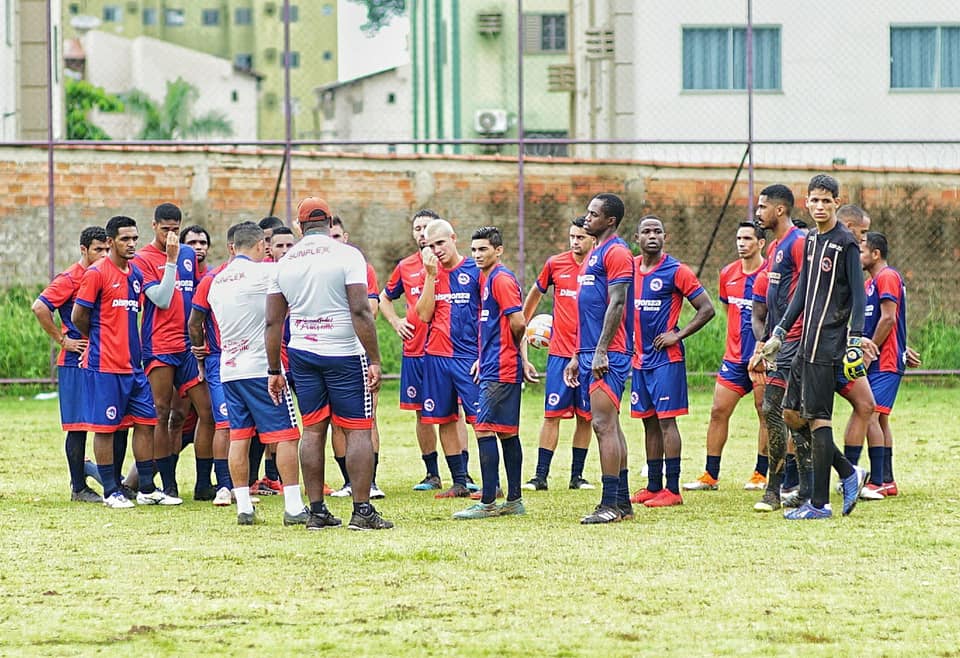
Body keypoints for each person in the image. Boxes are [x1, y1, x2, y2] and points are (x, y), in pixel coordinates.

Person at [266, 197, 392, 531]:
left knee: (313, 429)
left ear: (300, 225)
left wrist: (274, 370)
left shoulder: (285, 262)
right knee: (358, 429)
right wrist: (375, 358)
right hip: (344, 352)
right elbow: (361, 310)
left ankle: (318, 511)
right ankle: (362, 511)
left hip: (302, 354)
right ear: (329, 221)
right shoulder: (347, 255)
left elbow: (273, 323)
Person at [760, 174, 868, 520]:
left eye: (826, 200)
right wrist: (778, 332)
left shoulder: (845, 243)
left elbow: (858, 293)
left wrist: (855, 338)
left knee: (819, 419)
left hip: (829, 346)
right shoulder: (809, 240)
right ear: (807, 202)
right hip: (803, 343)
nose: (820, 206)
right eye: (815, 200)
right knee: (792, 414)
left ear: (837, 202)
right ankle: (848, 471)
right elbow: (802, 292)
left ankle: (819, 504)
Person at [72, 215, 181, 508]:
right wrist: (96, 340)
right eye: (125, 239)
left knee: (147, 423)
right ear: (110, 242)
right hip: (105, 366)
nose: (132, 244)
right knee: (106, 429)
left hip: (134, 367)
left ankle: (146, 487)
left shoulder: (135, 274)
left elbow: (160, 300)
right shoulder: (97, 273)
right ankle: (111, 491)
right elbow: (78, 316)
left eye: (135, 238)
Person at [207, 222, 305, 526]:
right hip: (262, 368)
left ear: (234, 246)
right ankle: (293, 506)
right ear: (262, 245)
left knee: (239, 437)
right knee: (287, 435)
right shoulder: (267, 273)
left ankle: (244, 507)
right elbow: (287, 306)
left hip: (230, 369)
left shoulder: (217, 281)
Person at [380, 209, 473, 492]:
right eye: (417, 228)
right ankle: (432, 473)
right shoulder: (406, 266)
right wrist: (396, 322)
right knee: (424, 413)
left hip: (448, 352)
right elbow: (385, 298)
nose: (422, 233)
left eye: (427, 228)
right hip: (415, 351)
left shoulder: (451, 267)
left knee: (454, 411)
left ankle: (464, 474)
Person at [629, 215, 715, 508]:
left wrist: (677, 336)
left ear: (665, 237)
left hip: (667, 360)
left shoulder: (677, 270)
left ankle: (673, 490)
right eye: (646, 231)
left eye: (658, 231)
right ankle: (653, 486)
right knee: (648, 423)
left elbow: (707, 309)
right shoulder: (629, 268)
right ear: (637, 238)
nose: (652, 236)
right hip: (639, 360)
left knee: (667, 423)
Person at [133, 203, 216, 500]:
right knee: (162, 412)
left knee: (207, 411)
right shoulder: (142, 259)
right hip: (159, 345)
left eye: (176, 229)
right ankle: (166, 484)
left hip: (187, 346)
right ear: (154, 226)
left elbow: (194, 299)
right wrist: (169, 260)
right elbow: (163, 299)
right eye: (166, 228)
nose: (171, 234)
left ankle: (204, 484)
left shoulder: (188, 255)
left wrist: (200, 336)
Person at [452, 226, 536, 519]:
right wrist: (484, 356)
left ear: (498, 250)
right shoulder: (488, 278)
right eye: (474, 249)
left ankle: (488, 502)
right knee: (507, 433)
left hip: (500, 368)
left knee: (484, 428)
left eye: (483, 249)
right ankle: (514, 501)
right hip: (494, 363)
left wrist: (510, 353)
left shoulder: (501, 279)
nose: (477, 255)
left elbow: (518, 321)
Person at [562, 193, 635, 524]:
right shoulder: (597, 253)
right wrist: (580, 353)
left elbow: (616, 303)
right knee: (611, 426)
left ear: (610, 221)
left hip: (610, 351)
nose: (586, 218)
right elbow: (590, 308)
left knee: (602, 425)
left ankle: (609, 504)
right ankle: (623, 502)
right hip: (592, 351)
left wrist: (602, 350)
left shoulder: (617, 252)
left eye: (593, 214)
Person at [685, 221, 768, 492]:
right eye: (738, 238)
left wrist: (764, 347)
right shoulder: (727, 273)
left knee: (765, 414)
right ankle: (710, 475)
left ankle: (761, 473)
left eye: (747, 238)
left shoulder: (771, 274)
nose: (741, 243)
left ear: (761, 243)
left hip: (762, 359)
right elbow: (726, 309)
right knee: (718, 411)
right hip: (733, 359)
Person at [32, 226, 113, 502]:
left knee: (112, 423)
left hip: (104, 357)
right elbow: (39, 307)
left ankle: (111, 481)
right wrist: (62, 340)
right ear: (83, 250)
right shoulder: (70, 278)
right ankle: (78, 487)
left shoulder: (107, 274)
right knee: (78, 426)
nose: (103, 255)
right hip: (75, 360)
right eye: (97, 250)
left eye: (106, 249)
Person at [521, 216, 596, 491]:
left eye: (581, 237)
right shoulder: (555, 264)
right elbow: (531, 299)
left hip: (589, 355)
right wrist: (522, 328)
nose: (575, 242)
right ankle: (540, 476)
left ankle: (577, 476)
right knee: (551, 414)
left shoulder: (600, 267)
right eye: (572, 237)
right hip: (560, 355)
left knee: (586, 417)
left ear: (593, 240)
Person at [750, 184, 811, 512]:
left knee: (775, 409)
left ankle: (774, 491)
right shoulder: (775, 247)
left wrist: (789, 334)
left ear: (780, 210)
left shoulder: (797, 243)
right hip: (780, 341)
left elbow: (806, 291)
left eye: (762, 207)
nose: (757, 213)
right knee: (789, 413)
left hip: (795, 340)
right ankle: (804, 487)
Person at [415, 218, 484, 500]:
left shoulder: (475, 270)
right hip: (437, 357)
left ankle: (491, 481)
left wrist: (485, 354)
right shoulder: (429, 273)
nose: (437, 249)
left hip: (468, 358)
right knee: (443, 418)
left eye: (441, 243)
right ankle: (458, 481)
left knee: (481, 421)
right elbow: (423, 314)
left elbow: (487, 315)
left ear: (454, 238)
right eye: (431, 245)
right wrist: (431, 276)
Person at [188, 222, 247, 506]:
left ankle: (242, 486)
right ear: (232, 248)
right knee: (223, 423)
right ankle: (223, 485)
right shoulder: (213, 279)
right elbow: (194, 321)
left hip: (250, 358)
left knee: (243, 424)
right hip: (220, 359)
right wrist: (201, 350)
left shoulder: (258, 276)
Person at [326, 215, 385, 500]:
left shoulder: (360, 266)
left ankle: (370, 482)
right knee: (335, 422)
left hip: (356, 351)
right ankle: (348, 481)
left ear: (345, 238)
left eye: (337, 237)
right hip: (326, 353)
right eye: (329, 237)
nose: (333, 243)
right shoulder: (317, 270)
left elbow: (371, 310)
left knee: (366, 418)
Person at [857, 231, 907, 498]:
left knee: (870, 414)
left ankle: (876, 480)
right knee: (880, 417)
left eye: (862, 251)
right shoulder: (870, 284)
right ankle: (886, 480)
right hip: (884, 357)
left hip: (885, 360)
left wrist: (870, 351)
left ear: (875, 254)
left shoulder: (887, 277)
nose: (858, 257)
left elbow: (888, 318)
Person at [249, 224, 297, 495]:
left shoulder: (302, 272)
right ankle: (261, 477)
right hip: (271, 360)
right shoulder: (264, 275)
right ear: (269, 248)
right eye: (280, 245)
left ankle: (288, 476)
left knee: (306, 421)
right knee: (265, 421)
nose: (285, 250)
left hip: (300, 354)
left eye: (290, 245)